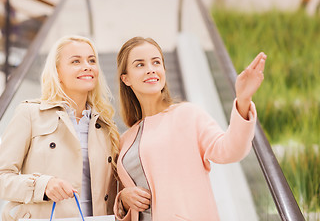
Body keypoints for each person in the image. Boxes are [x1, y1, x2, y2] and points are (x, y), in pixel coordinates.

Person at [113, 37, 266, 221]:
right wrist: (123, 200)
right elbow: (123, 194)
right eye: (140, 65)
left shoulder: (187, 115)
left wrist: (243, 100)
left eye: (156, 62)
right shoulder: (125, 139)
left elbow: (231, 150)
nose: (151, 69)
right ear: (126, 78)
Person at [0, 35, 119, 220]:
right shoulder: (30, 114)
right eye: (76, 61)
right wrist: (43, 185)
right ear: (57, 72)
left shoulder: (106, 127)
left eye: (92, 60)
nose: (87, 66)